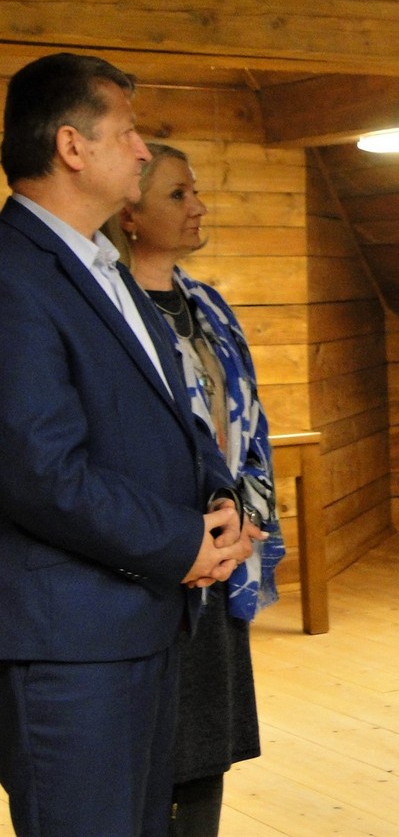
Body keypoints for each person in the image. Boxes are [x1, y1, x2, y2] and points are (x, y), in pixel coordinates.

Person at [0, 53, 253, 836]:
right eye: (128, 132)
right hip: (71, 646)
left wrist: (219, 504)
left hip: (145, 621)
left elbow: (175, 415)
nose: (143, 150)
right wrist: (181, 542)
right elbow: (40, 471)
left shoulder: (103, 266)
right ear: (72, 146)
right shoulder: (13, 274)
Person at [107, 143, 286, 836]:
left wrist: (245, 520)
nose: (199, 206)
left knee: (207, 743)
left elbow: (253, 420)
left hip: (223, 549)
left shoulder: (208, 304)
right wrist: (184, 537)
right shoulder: (107, 308)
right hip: (153, 556)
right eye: (178, 194)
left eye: (197, 191)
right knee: (150, 751)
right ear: (129, 214)